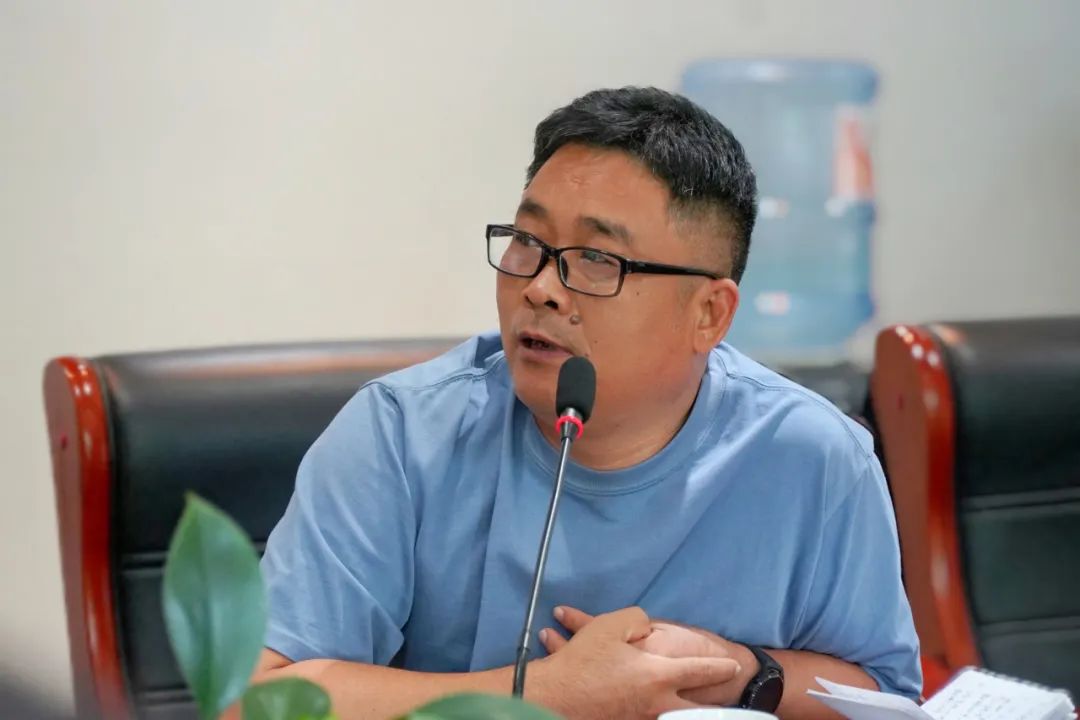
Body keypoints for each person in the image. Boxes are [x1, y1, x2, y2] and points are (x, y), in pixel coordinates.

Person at [250, 87, 921, 719]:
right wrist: (544, 697)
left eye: (598, 258)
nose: (540, 287)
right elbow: (253, 699)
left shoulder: (814, 457)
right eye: (528, 242)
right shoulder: (401, 436)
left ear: (709, 315)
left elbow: (884, 696)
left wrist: (745, 673)